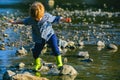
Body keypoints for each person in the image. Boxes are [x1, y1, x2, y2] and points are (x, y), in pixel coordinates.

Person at [9, 1, 71, 71]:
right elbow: (23, 21)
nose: (37, 20)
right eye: (35, 18)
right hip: (39, 39)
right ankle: (38, 64)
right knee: (35, 52)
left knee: (55, 48)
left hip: (49, 35)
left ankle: (59, 63)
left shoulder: (46, 16)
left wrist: (64, 19)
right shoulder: (31, 19)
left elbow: (55, 18)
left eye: (38, 18)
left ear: (42, 13)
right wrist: (14, 22)